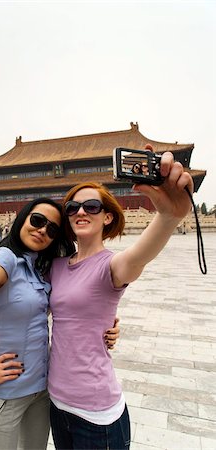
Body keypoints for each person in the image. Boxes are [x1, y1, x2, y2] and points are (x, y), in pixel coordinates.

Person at [0, 198, 118, 450]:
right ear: (22, 218)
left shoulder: (39, 266)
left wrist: (107, 326)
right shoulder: (5, 259)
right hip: (5, 395)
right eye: (37, 220)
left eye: (53, 229)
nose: (43, 229)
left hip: (41, 392)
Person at [46, 149, 193, 450]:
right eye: (73, 207)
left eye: (91, 206)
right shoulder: (57, 266)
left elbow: (139, 257)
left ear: (108, 216)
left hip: (97, 414)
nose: (81, 212)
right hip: (57, 404)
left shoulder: (111, 266)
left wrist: (168, 217)